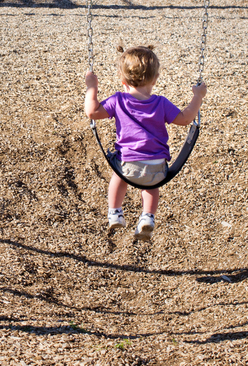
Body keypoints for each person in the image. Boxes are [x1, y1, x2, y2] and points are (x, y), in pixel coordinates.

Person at [84, 45, 207, 241]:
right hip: (157, 167)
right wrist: (197, 97)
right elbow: (185, 119)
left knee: (118, 176)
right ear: (155, 79)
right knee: (151, 185)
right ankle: (148, 217)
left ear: (123, 81)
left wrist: (92, 87)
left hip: (126, 166)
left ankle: (115, 212)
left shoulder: (118, 100)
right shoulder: (161, 103)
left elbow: (92, 112)